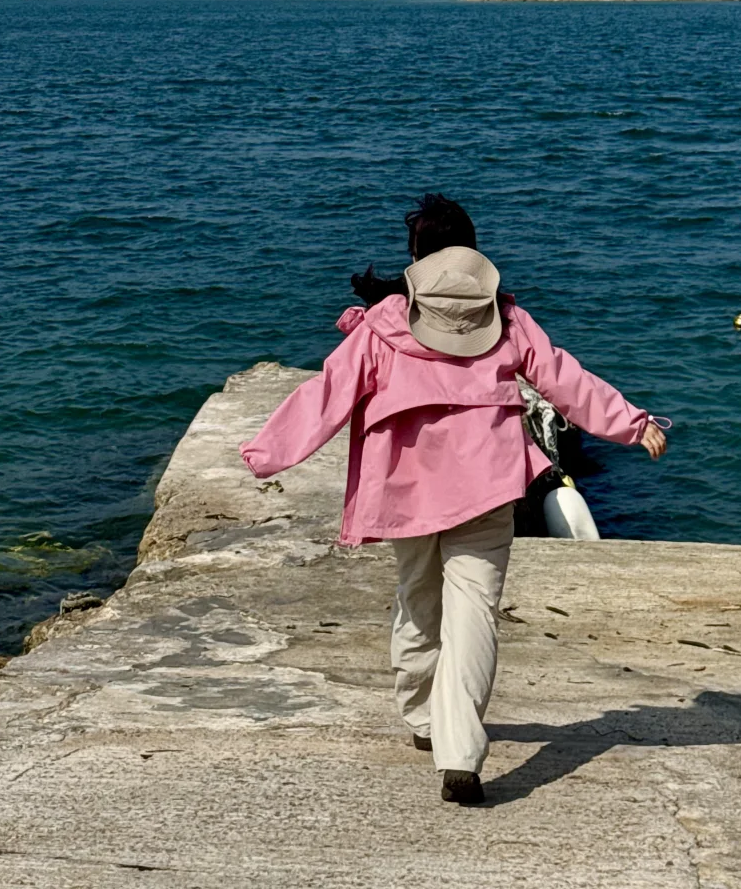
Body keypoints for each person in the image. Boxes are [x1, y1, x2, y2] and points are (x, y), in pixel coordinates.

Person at [239, 194, 668, 805]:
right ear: (473, 254)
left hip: (404, 492)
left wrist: (267, 452)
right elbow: (563, 377)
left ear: (416, 259)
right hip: (488, 486)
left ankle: (422, 719)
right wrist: (631, 422)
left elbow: (326, 393)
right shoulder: (507, 320)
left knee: (418, 599)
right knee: (474, 617)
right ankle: (458, 750)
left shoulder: (384, 323)